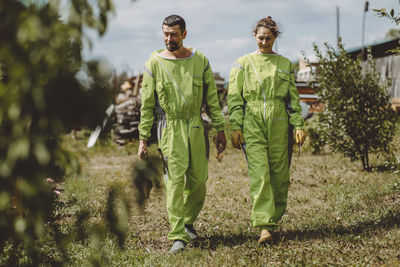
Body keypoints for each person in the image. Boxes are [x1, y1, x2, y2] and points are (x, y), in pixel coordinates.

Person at [137, 14, 226, 253]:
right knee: (174, 182)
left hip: (196, 126)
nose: (169, 38)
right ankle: (177, 234)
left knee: (198, 181)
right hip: (169, 127)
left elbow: (212, 101)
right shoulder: (154, 63)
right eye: (165, 33)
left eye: (173, 34)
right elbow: (146, 105)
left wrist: (220, 129)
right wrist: (143, 139)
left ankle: (187, 221)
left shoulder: (201, 60)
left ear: (184, 34)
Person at [227, 16, 306, 244]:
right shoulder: (242, 63)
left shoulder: (284, 63)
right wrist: (236, 126)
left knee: (280, 176)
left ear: (275, 38)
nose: (264, 42)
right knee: (260, 174)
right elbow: (235, 97)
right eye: (260, 38)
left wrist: (298, 124)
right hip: (252, 121)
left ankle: (274, 218)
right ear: (254, 36)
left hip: (279, 121)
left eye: (268, 38)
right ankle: (264, 226)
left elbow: (292, 97)